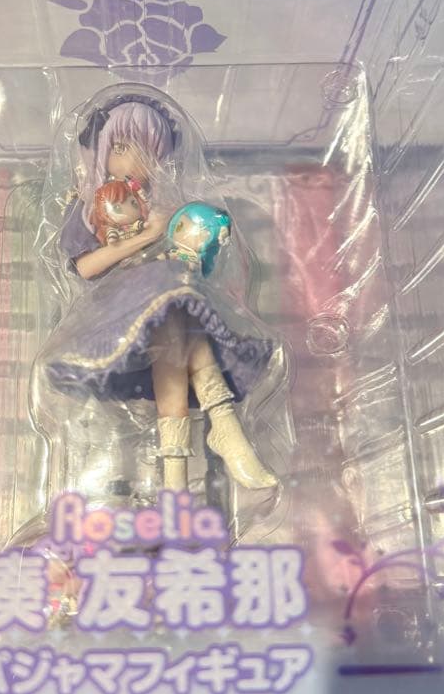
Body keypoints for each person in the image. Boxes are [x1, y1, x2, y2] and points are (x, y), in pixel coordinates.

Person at [38, 86, 280, 494]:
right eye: (121, 147)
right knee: (175, 309)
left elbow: (186, 249)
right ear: (103, 151)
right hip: (114, 308)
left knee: (174, 327)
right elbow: (86, 266)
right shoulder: (91, 204)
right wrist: (146, 237)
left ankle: (178, 478)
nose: (133, 161)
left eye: (148, 150)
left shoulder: (158, 203)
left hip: (164, 297)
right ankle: (222, 422)